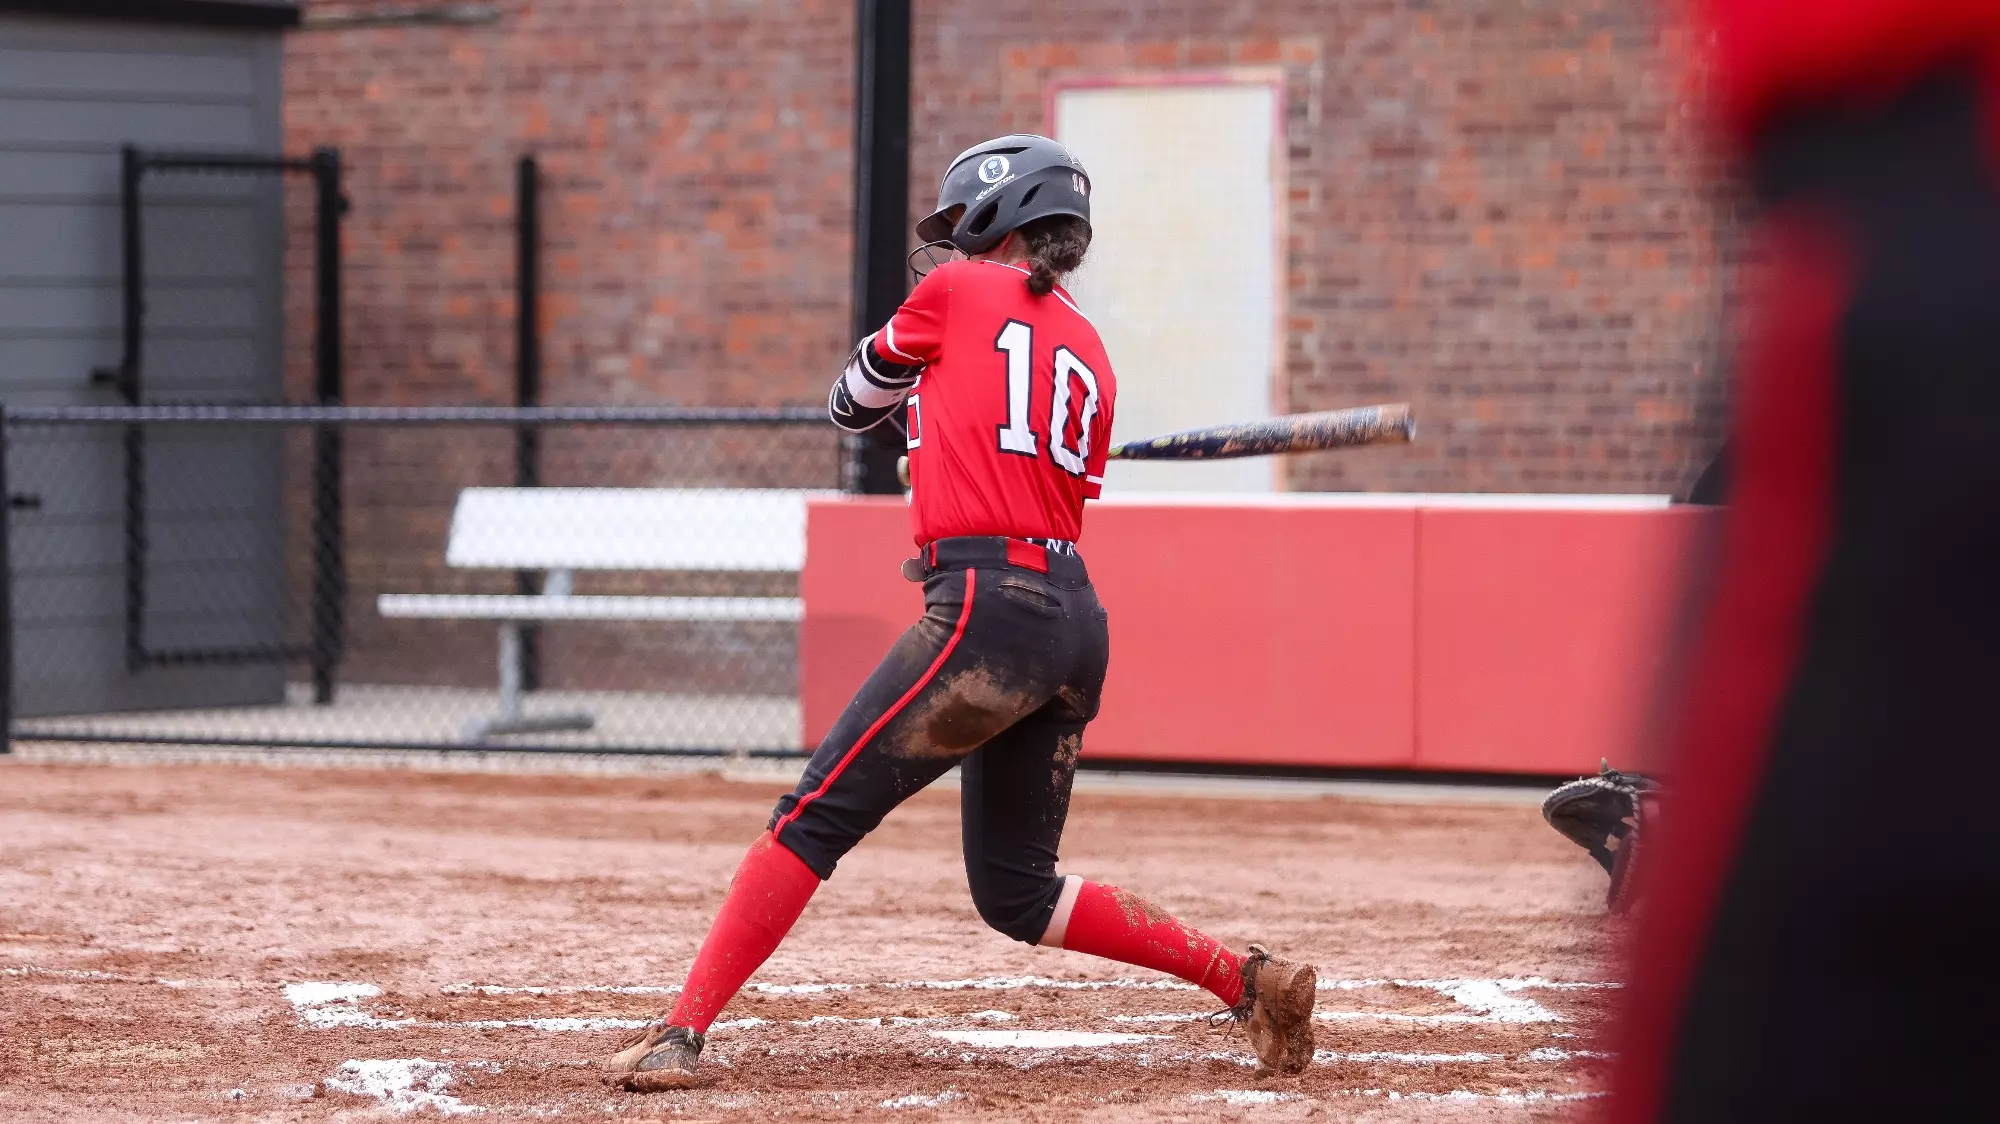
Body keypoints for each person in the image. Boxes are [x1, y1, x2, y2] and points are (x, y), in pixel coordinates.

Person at [600, 134, 1318, 1091]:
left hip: (986, 607)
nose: (949, 251)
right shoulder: (1094, 354)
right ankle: (1247, 981)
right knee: (1018, 891)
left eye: (962, 231)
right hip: (1071, 622)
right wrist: (937, 435)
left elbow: (853, 399)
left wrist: (913, 422)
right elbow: (1030, 466)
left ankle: (680, 1031)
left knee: (810, 818)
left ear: (999, 218)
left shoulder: (953, 294)